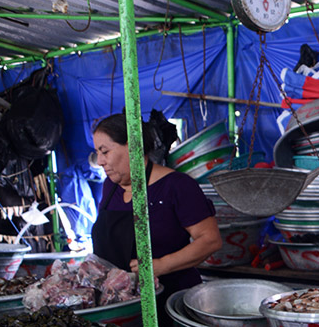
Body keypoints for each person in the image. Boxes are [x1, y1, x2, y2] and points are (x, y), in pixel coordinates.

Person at [90, 113, 222, 296]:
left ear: (133, 147)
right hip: (121, 300)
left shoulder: (177, 186)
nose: (100, 161)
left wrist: (161, 265)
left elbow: (210, 240)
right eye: (97, 153)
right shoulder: (110, 187)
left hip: (170, 297)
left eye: (105, 152)